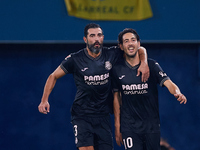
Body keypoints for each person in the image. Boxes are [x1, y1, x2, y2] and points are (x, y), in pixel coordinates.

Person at [38, 23, 149, 150]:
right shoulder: (75, 59)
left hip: (103, 116)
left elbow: (139, 49)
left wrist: (144, 62)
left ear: (103, 37)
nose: (96, 39)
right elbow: (53, 76)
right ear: (85, 39)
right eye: (92, 36)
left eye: (99, 35)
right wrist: (44, 100)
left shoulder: (112, 53)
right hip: (82, 115)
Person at [112, 28, 187, 150]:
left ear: (138, 44)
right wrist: (117, 126)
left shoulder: (151, 65)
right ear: (121, 46)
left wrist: (177, 92)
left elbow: (168, 82)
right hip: (129, 127)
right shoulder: (117, 69)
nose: (130, 43)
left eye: (133, 40)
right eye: (126, 41)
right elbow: (116, 98)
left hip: (151, 127)